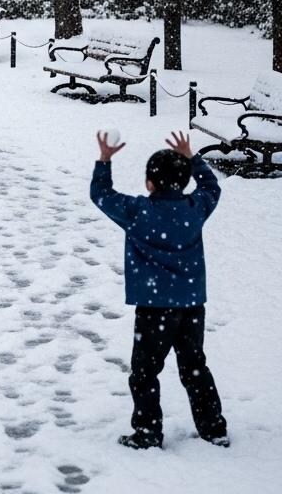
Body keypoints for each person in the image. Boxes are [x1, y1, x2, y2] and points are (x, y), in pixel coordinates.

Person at [90, 130, 229, 450]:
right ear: (183, 181)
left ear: (149, 183)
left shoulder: (137, 211)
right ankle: (213, 429)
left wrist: (104, 160)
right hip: (191, 305)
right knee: (194, 367)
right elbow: (212, 187)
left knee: (144, 372)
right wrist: (192, 158)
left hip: (154, 308)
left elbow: (101, 194)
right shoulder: (194, 207)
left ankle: (148, 431)